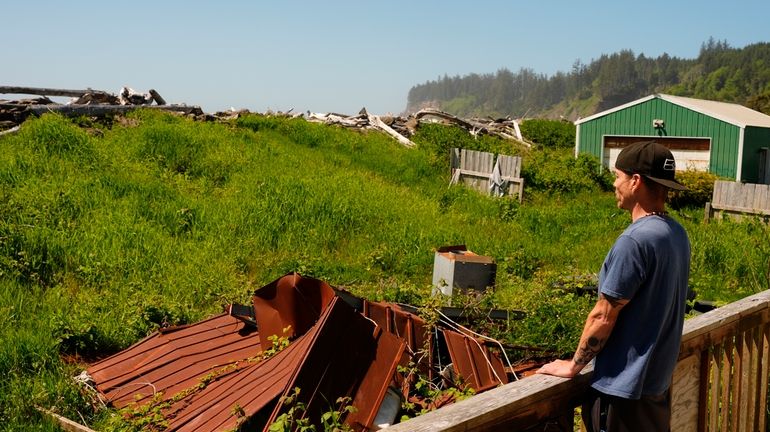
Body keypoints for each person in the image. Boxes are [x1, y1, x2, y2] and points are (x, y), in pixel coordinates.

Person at [537, 141, 691, 432]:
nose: (613, 183)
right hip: (655, 386)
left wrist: (573, 366)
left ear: (635, 181)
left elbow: (603, 316)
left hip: (623, 392)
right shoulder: (676, 234)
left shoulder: (635, 241)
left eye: (618, 176)